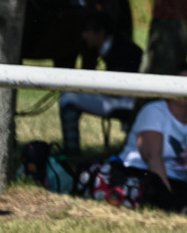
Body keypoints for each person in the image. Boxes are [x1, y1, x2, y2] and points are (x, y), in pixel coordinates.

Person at [117, 64, 187, 214]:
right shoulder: (154, 111)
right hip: (144, 176)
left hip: (180, 185)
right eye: (180, 83)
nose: (185, 88)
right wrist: (169, 199)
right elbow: (153, 158)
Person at [59, 11, 143, 156]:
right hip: (125, 98)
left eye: (88, 31)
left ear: (101, 33)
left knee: (68, 98)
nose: (84, 36)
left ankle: (71, 152)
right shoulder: (117, 46)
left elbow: (117, 91)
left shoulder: (119, 50)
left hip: (128, 101)